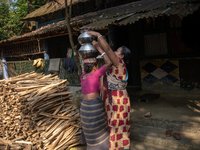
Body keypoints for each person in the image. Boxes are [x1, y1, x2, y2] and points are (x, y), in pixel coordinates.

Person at [87, 31, 131, 150]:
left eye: (117, 51)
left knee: (117, 125)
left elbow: (107, 50)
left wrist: (98, 34)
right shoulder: (114, 65)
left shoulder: (119, 64)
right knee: (111, 125)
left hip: (118, 100)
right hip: (111, 99)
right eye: (115, 50)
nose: (114, 52)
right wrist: (97, 48)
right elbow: (107, 56)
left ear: (121, 56)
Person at [80, 40, 112, 150]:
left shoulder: (83, 76)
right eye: (97, 66)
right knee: (100, 132)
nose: (98, 68)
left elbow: (83, 63)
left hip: (84, 108)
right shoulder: (95, 75)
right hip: (93, 109)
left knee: (91, 134)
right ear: (94, 67)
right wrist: (98, 48)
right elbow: (109, 62)